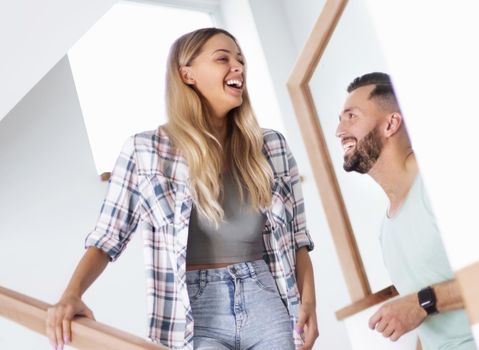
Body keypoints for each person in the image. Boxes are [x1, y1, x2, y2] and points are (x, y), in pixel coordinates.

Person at [45, 28, 318, 350]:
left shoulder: (271, 147)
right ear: (187, 74)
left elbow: (298, 240)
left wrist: (308, 305)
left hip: (266, 298)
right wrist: (71, 294)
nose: (238, 67)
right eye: (223, 59)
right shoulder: (145, 151)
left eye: (240, 60)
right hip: (194, 312)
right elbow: (107, 238)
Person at [336, 72, 476, 349]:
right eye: (340, 120)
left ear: (391, 123)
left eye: (351, 116)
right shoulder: (385, 231)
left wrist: (423, 302)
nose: (339, 131)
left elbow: (420, 305)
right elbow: (426, 324)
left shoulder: (444, 186)